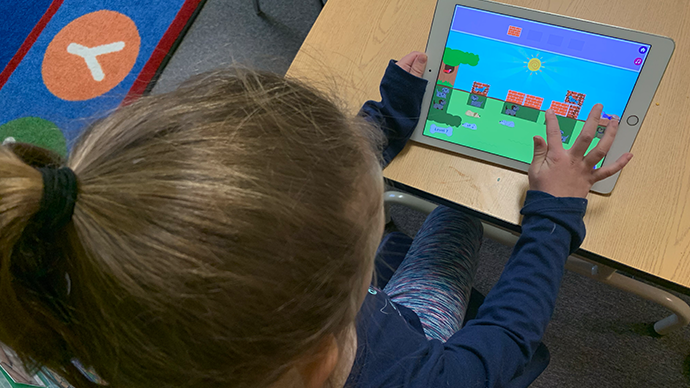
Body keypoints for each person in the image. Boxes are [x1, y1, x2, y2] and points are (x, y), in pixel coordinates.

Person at [0, 51, 631, 388]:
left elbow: (285, 185)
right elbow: (505, 339)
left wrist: (385, 118)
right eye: (370, 227)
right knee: (460, 211)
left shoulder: (94, 310)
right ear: (323, 357)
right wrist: (552, 215)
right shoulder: (410, 377)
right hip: (408, 332)